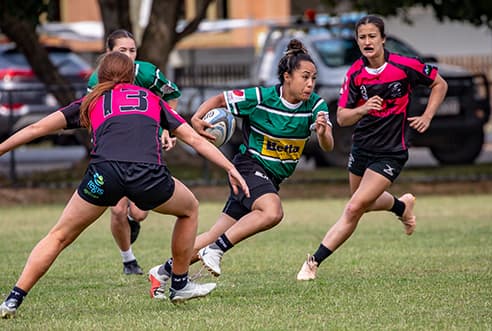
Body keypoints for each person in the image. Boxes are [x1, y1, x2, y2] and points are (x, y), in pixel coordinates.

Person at [0, 51, 249, 319]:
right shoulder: (152, 98)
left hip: (104, 175)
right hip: (147, 175)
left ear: (101, 77)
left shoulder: (91, 100)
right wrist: (230, 167)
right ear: (132, 76)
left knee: (59, 235)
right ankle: (179, 284)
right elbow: (196, 140)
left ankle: (13, 299)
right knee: (189, 209)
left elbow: (36, 128)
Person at [147, 39, 334, 299]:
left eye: (313, 78)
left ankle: (163, 272)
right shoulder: (261, 97)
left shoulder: (315, 106)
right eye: (305, 77)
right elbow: (219, 99)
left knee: (214, 233)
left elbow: (327, 146)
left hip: (271, 178)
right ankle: (217, 251)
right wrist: (197, 118)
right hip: (249, 167)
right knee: (272, 211)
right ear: (286, 77)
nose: (310, 83)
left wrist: (323, 132)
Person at [296, 14, 448, 281]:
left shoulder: (404, 65)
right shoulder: (355, 73)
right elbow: (342, 117)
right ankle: (401, 207)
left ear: (383, 39)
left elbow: (439, 83)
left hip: (391, 150)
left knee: (354, 208)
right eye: (362, 37)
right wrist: (364, 108)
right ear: (357, 41)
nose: (367, 41)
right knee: (361, 204)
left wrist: (427, 116)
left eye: (372, 36)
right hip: (362, 147)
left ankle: (313, 262)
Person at [87, 29, 182, 275]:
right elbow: (90, 116)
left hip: (145, 148)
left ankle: (133, 220)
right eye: (122, 51)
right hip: (115, 153)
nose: (128, 56)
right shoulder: (96, 80)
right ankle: (128, 260)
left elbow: (172, 95)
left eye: (132, 50)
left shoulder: (147, 73)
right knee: (117, 209)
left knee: (139, 213)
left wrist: (165, 130)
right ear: (108, 53)